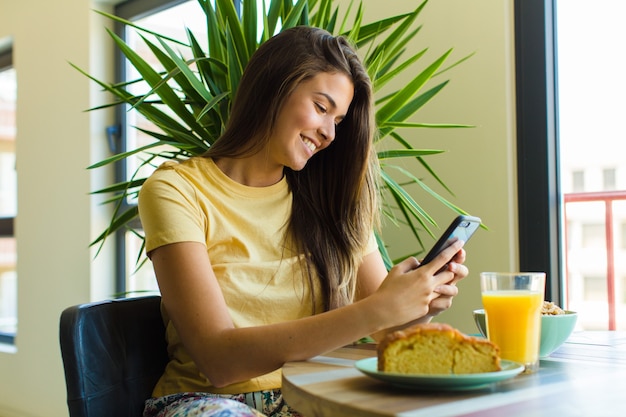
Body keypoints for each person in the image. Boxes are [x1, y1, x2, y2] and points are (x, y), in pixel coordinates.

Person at [138, 25, 468, 417]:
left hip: (311, 398)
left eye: (339, 120)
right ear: (273, 88)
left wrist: (417, 302)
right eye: (322, 107)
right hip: (208, 402)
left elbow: (386, 331)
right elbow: (219, 358)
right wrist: (379, 308)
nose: (329, 133)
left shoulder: (331, 204)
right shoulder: (177, 189)